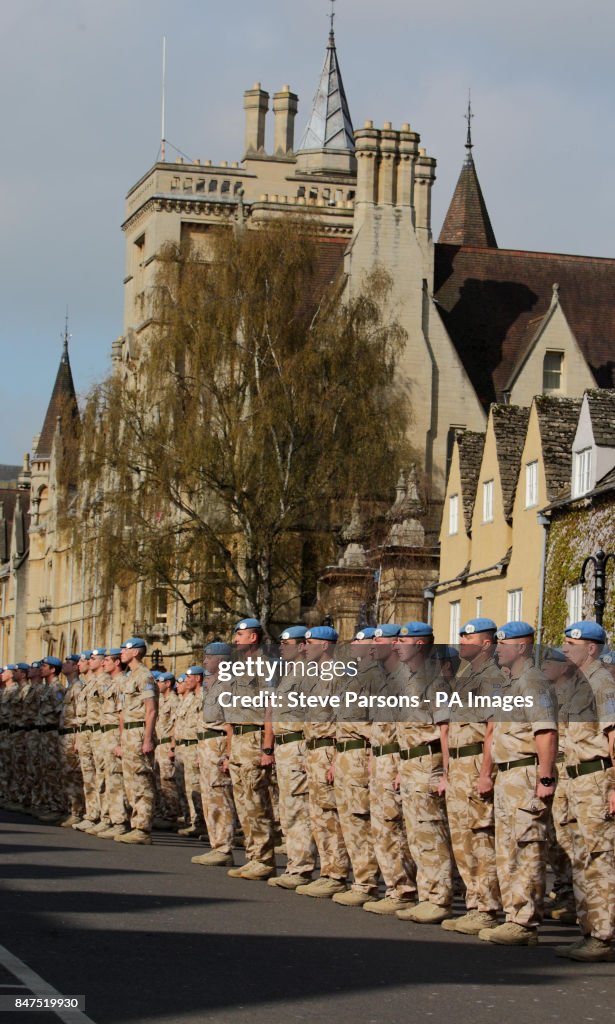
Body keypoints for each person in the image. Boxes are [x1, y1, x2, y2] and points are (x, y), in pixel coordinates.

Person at [479, 621, 558, 947]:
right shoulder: (511, 684)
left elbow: (546, 732)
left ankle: (525, 922)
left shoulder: (533, 683)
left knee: (527, 847)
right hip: (507, 776)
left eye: (504, 644)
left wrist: (546, 777)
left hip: (525, 775)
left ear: (521, 647)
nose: (498, 649)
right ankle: (514, 916)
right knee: (508, 848)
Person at [555, 621, 615, 962]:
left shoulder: (603, 683)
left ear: (591, 648)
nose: (565, 649)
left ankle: (605, 937)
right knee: (582, 858)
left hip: (596, 780)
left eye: (571, 644)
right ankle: (590, 931)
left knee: (599, 858)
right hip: (576, 781)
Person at [442, 618, 502, 935]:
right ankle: (474, 904)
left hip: (477, 764)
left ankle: (487, 908)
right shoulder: (467, 677)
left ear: (487, 643)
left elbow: (493, 729)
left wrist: (487, 773)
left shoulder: (492, 678)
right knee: (462, 840)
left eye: (469, 637)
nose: (462, 641)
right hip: (459, 766)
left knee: (480, 838)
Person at [394, 622, 454, 924]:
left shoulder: (434, 682)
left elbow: (445, 730)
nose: (397, 645)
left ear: (419, 644)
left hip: (427, 765)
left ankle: (439, 898)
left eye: (403, 641)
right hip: (410, 765)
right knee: (417, 835)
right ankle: (426, 895)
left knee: (431, 834)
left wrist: (447, 773)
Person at [364, 626, 417, 915]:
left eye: (379, 639)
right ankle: (394, 887)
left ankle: (404, 889)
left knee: (395, 828)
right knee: (382, 828)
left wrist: (400, 768)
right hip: (380, 761)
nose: (373, 644)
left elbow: (407, 732)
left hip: (397, 762)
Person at [296, 625, 350, 899]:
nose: (304, 648)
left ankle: (337, 874)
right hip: (315, 750)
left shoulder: (337, 675)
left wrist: (336, 758)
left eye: (310, 643)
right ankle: (327, 871)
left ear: (325, 645)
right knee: (318, 815)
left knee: (330, 815)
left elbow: (342, 720)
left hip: (329, 749)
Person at [266, 627, 317, 889]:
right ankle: (295, 864)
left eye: (287, 643)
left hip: (297, 746)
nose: (281, 647)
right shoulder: (289, 674)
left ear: (301, 647)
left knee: (298, 809)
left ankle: (301, 868)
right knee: (288, 809)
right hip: (284, 747)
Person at [227, 618, 276, 881]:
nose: (235, 639)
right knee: (243, 803)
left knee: (256, 802)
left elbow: (270, 708)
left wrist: (267, 747)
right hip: (239, 740)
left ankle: (265, 859)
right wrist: (229, 750)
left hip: (254, 739)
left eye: (240, 634)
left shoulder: (264, 665)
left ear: (253, 637)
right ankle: (253, 856)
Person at [192, 643, 236, 868]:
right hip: (207, 745)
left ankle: (223, 848)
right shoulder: (213, 685)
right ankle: (216, 844)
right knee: (209, 798)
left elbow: (230, 724)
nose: (205, 661)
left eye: (208, 657)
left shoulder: (228, 685)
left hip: (218, 745)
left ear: (221, 660)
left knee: (220, 798)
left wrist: (229, 754)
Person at [541, 646, 577, 925]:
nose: (544, 667)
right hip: (557, 770)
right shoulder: (552, 695)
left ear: (564, 667)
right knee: (554, 837)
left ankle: (573, 897)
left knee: (569, 837)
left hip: (571, 772)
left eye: (550, 662)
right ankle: (564, 891)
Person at [114, 638, 158, 844]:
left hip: (140, 732)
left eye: (126, 649)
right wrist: (121, 740)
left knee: (141, 780)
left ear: (136, 652)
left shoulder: (145, 676)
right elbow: (123, 713)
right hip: (129, 734)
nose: (122, 652)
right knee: (131, 782)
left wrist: (147, 739)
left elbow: (151, 710)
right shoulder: (130, 677)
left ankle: (143, 828)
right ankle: (136, 824)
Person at [96, 649, 130, 839]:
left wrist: (121, 740)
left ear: (117, 662)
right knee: (108, 777)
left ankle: (119, 822)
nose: (103, 663)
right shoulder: (112, 683)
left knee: (116, 779)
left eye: (107, 660)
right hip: (106, 734)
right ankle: (108, 818)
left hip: (115, 734)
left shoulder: (123, 682)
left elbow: (122, 713)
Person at [174, 666, 206, 837]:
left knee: (197, 786)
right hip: (186, 747)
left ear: (198, 678)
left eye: (188, 677)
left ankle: (201, 823)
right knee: (189, 787)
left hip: (196, 746)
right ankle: (195, 821)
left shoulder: (204, 697)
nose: (186, 681)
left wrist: (201, 751)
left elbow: (203, 726)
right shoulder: (191, 699)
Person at [57, 655, 85, 827]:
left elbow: (80, 716)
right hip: (64, 735)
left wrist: (77, 739)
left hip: (72, 735)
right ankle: (72, 809)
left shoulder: (78, 687)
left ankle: (77, 811)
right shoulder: (70, 687)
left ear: (75, 667)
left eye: (68, 663)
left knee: (74, 774)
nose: (64, 665)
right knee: (67, 774)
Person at [154, 671, 181, 829]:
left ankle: (172, 815)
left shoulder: (173, 701)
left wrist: (173, 746)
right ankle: (163, 812)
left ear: (168, 683)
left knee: (168, 780)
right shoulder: (161, 700)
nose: (157, 684)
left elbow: (177, 725)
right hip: (159, 744)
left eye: (160, 681)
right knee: (159, 781)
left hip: (167, 744)